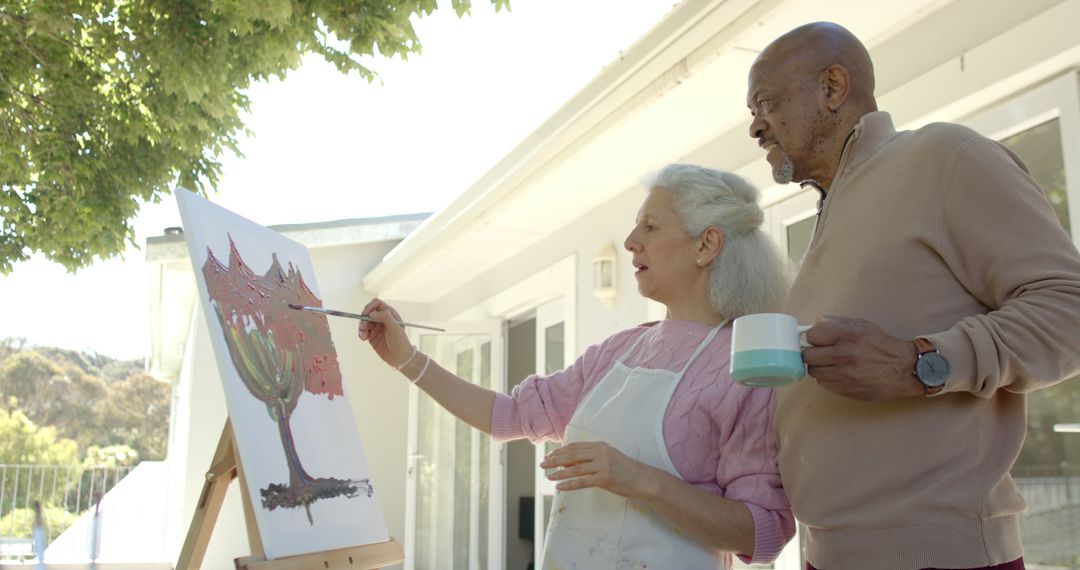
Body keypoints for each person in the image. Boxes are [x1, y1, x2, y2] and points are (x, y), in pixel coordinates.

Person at [747, 21, 1080, 570]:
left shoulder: (944, 156)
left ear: (833, 88)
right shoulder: (830, 216)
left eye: (766, 103)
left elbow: (1068, 309)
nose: (756, 128)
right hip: (823, 555)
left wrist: (918, 362)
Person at [359, 164, 795, 569]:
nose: (629, 241)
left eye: (650, 225)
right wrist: (408, 360)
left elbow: (764, 533)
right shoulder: (621, 350)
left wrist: (640, 479)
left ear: (706, 244)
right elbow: (511, 416)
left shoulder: (745, 366)